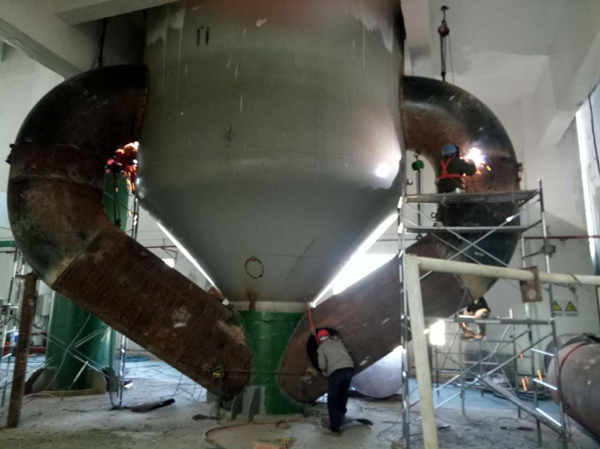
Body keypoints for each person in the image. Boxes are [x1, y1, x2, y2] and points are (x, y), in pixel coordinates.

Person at [317, 329, 355, 436]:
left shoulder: (321, 348)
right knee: (343, 393)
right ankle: (341, 414)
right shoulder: (338, 342)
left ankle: (334, 429)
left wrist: (325, 371)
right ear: (329, 336)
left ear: (319, 340)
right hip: (349, 368)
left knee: (332, 399)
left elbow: (322, 365)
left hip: (337, 371)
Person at [435, 144, 477, 226]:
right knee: (472, 201)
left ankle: (439, 220)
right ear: (455, 153)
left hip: (442, 191)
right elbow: (471, 171)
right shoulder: (457, 161)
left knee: (444, 203)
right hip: (455, 190)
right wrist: (472, 163)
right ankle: (464, 221)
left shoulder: (439, 164)